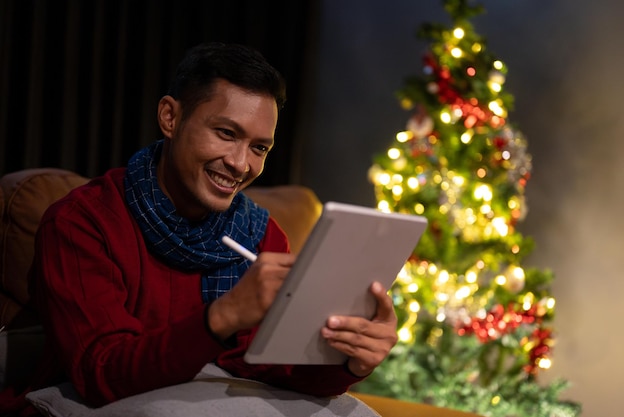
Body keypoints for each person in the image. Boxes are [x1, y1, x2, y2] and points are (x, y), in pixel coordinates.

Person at [0, 42, 398, 415]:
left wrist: (350, 360)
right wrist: (221, 317)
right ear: (170, 117)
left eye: (259, 148)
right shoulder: (80, 222)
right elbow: (99, 373)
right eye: (226, 134)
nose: (241, 164)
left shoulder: (261, 234)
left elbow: (272, 370)